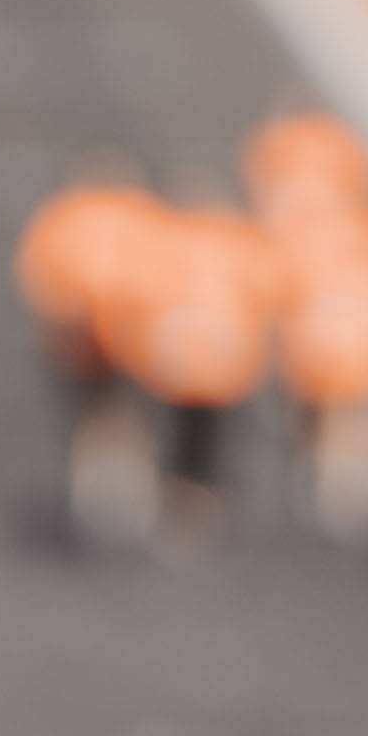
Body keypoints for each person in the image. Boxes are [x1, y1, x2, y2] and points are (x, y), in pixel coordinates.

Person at [244, 112, 368, 551]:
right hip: (342, 337)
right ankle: (346, 482)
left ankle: (353, 482)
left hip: (355, 336)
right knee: (347, 415)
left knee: (357, 415)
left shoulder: (363, 235)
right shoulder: (359, 234)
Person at [92, 175, 277, 554]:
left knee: (175, 441)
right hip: (222, 365)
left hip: (172, 364)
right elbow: (267, 296)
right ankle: (197, 513)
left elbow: (133, 298)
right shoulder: (237, 244)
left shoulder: (163, 243)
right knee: (206, 444)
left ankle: (178, 511)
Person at [11, 154, 166, 552]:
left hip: (103, 340)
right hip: (111, 341)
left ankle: (108, 501)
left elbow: (39, 274)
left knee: (103, 421)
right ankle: (114, 501)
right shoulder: (135, 216)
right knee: (115, 420)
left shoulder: (69, 217)